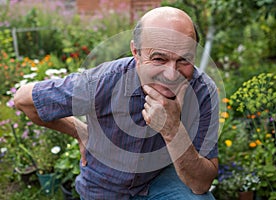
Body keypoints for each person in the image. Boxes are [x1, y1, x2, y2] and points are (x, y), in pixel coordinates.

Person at [14, 6, 219, 200]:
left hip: (157, 181)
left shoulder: (202, 91)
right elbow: (23, 99)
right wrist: (81, 132)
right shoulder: (103, 81)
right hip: (104, 188)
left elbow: (201, 184)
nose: (171, 74)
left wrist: (172, 129)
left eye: (184, 60)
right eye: (158, 59)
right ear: (136, 52)